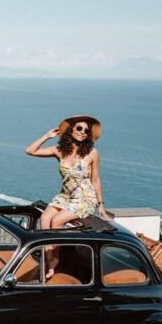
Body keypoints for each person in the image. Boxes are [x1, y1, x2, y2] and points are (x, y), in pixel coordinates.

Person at [25, 115, 107, 278]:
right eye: (79, 128)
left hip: (84, 198)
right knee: (44, 219)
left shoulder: (92, 153)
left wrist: (101, 204)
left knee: (56, 221)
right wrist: (47, 136)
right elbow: (30, 151)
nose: (82, 132)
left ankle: (54, 259)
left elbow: (95, 180)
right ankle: (51, 259)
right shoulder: (59, 150)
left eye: (86, 131)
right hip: (66, 195)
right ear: (71, 130)